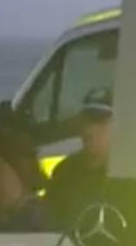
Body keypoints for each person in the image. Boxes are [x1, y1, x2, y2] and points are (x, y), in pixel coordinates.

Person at [44, 87, 113, 229]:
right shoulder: (65, 172)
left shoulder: (129, 170)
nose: (90, 130)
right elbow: (48, 226)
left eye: (100, 122)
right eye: (87, 120)